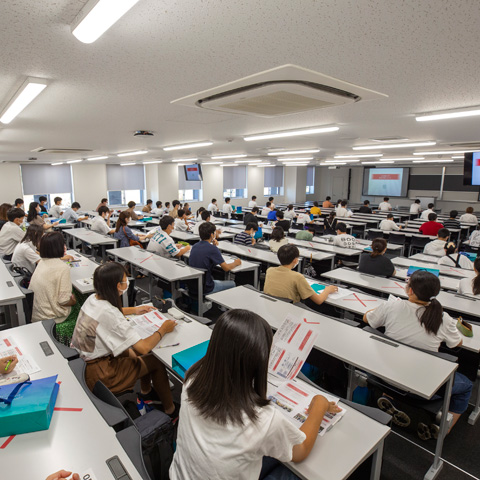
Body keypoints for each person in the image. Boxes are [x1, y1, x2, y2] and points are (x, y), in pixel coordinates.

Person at [169, 309, 340, 480]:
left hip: (179, 474)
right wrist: (320, 405)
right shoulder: (263, 419)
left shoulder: (192, 379)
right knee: (296, 473)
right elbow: (300, 450)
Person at [364, 270, 472, 431]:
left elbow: (368, 320)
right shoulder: (443, 318)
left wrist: (370, 311)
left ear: (411, 290)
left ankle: (389, 396)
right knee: (467, 385)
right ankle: (443, 429)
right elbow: (456, 344)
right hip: (422, 387)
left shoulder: (392, 306)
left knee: (398, 354)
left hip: (383, 375)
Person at [71, 262, 178, 418]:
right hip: (101, 373)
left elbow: (108, 313)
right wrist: (163, 329)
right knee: (154, 361)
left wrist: (134, 310)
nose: (126, 282)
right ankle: (171, 410)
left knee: (134, 354)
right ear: (116, 286)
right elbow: (143, 348)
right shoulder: (110, 314)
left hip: (87, 363)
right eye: (124, 280)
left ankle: (146, 393)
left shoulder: (92, 298)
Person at [30, 232, 76, 324]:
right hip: (52, 319)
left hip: (36, 314)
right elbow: (64, 300)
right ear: (61, 247)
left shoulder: (41, 262)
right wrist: (73, 300)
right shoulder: (63, 268)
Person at [264, 244, 337, 303]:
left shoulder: (270, 270)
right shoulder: (297, 277)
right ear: (295, 260)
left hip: (271, 305)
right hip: (290, 309)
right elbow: (319, 300)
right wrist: (328, 290)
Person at [189, 222, 241, 294]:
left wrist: (213, 246)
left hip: (193, 285)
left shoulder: (195, 246)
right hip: (207, 287)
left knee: (216, 280)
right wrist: (236, 263)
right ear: (212, 235)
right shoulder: (212, 249)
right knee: (233, 283)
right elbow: (226, 268)